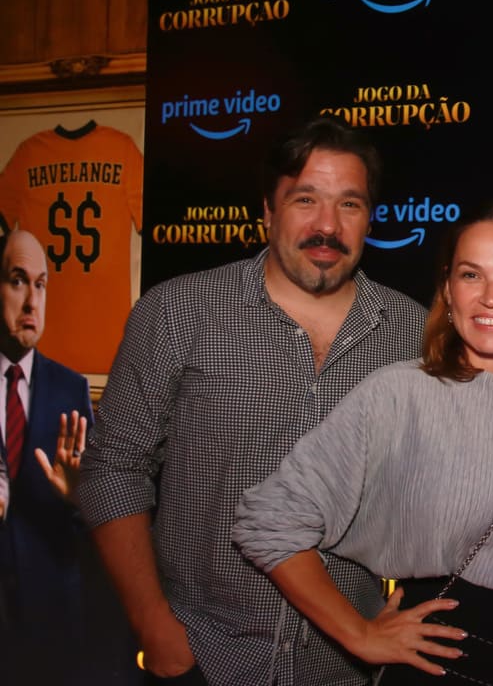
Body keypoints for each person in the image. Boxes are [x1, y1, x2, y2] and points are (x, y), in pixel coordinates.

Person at [77, 117, 428, 686]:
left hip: (344, 667)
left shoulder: (413, 335)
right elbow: (113, 469)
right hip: (206, 660)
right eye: (305, 199)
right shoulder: (178, 313)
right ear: (267, 210)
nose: (327, 225)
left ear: (370, 218)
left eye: (349, 204)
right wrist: (154, 626)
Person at [233, 201, 493, 686]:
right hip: (440, 661)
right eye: (471, 275)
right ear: (448, 290)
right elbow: (267, 519)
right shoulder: (401, 393)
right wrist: (358, 634)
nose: (491, 297)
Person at [0, 229, 138, 684]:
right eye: (17, 280)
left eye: (40, 285)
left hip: (52, 625)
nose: (32, 301)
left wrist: (80, 497)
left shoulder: (71, 390)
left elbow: (99, 527)